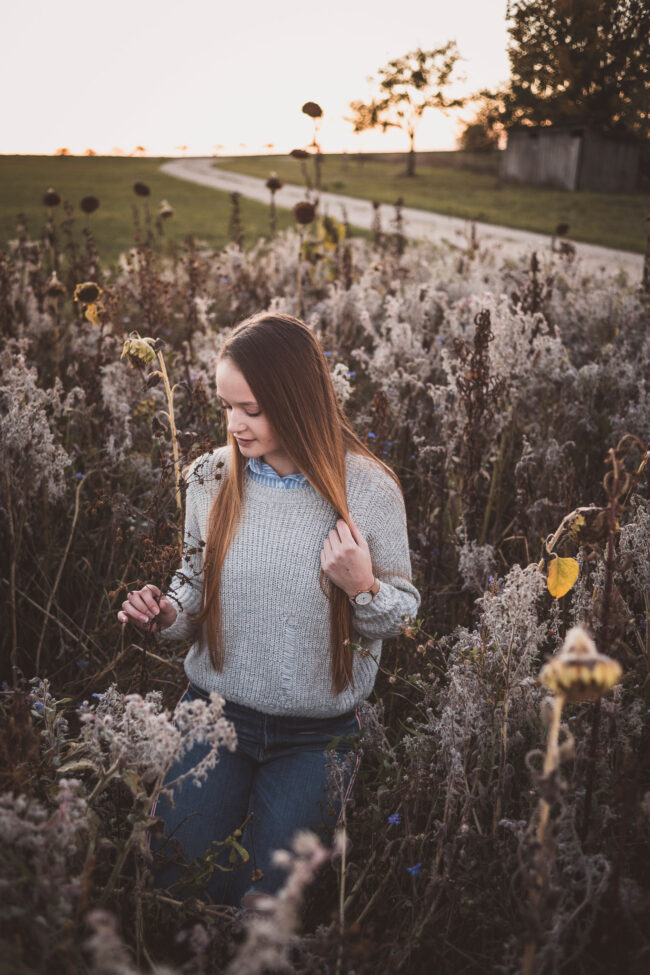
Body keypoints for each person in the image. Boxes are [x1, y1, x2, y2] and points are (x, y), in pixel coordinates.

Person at [117, 312, 421, 911]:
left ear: (296, 401)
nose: (235, 425)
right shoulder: (210, 477)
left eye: (251, 409)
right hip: (213, 716)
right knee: (176, 881)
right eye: (227, 407)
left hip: (315, 737)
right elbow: (194, 583)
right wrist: (166, 614)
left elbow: (401, 614)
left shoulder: (367, 490)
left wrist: (362, 587)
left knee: (273, 907)